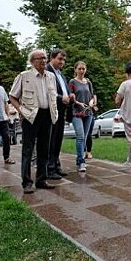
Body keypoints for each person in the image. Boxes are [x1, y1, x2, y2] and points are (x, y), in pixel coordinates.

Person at [9, 49, 58, 194]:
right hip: (31, 115)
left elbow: (53, 96)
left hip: (47, 115)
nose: (43, 61)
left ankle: (41, 179)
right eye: (39, 58)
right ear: (32, 61)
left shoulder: (51, 76)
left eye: (44, 58)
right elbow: (12, 96)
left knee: (44, 149)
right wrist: (21, 111)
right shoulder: (24, 76)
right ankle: (27, 182)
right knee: (28, 149)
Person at [46, 49, 72, 179]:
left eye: (64, 60)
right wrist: (61, 97)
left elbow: (65, 90)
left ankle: (56, 165)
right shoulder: (47, 72)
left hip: (61, 111)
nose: (62, 62)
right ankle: (49, 169)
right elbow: (48, 91)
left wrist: (69, 95)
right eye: (60, 59)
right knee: (51, 140)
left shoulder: (61, 75)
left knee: (58, 139)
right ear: (52, 58)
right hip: (51, 111)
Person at [69, 61, 95, 172]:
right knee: (80, 137)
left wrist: (92, 102)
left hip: (88, 113)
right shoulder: (72, 82)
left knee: (84, 137)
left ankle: (79, 158)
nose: (81, 71)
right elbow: (70, 96)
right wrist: (77, 102)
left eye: (83, 69)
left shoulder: (88, 82)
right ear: (75, 70)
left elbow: (93, 95)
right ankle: (81, 161)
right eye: (79, 69)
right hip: (77, 113)